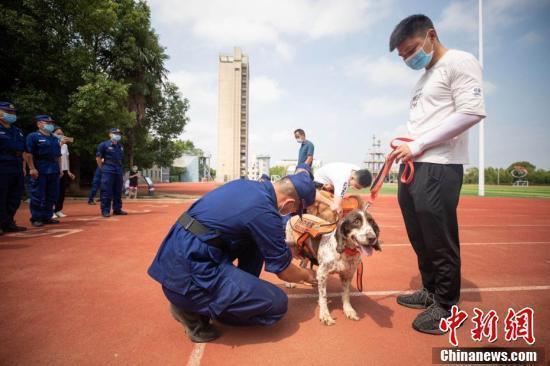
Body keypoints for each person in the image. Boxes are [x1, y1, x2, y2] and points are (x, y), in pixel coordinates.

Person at [388, 15, 486, 335]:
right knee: (420, 236)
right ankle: (430, 290)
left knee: (439, 238)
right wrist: (407, 143)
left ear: (431, 35)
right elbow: (426, 122)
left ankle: (446, 306)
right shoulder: (424, 79)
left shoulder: (460, 61)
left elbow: (471, 112)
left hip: (439, 165)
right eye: (402, 56)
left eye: (411, 50)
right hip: (414, 164)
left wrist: (418, 144)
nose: (407, 58)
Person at [148, 173, 317, 342]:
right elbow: (285, 272)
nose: (291, 214)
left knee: (254, 244)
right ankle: (193, 311)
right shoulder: (265, 212)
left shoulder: (246, 186)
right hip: (190, 270)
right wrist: (308, 275)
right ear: (289, 203)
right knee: (277, 304)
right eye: (294, 211)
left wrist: (285, 247)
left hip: (180, 252)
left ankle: (230, 294)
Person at [24, 115, 62, 227]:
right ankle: (36, 218)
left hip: (53, 168)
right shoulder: (33, 136)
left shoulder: (55, 138)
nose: (50, 125)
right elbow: (28, 153)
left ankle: (47, 216)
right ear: (39, 124)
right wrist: (32, 168)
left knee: (52, 195)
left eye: (51, 123)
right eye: (47, 122)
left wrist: (60, 169)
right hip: (40, 167)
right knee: (37, 194)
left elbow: (58, 156)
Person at [0, 101, 27, 235]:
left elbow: (22, 151)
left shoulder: (18, 131)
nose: (12, 114)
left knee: (15, 196)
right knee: (1, 195)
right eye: (8, 112)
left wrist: (23, 167)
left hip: (16, 165)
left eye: (13, 112)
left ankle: (8, 222)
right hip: (2, 165)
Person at [96, 128, 127, 217]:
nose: (117, 135)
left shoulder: (120, 146)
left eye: (119, 133)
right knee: (106, 191)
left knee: (118, 191)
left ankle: (117, 209)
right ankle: (105, 210)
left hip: (118, 169)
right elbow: (98, 158)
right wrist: (102, 168)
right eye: (115, 133)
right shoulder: (103, 145)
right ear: (110, 134)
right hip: (108, 169)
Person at [52, 126, 75, 218]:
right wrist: (60, 144)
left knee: (62, 191)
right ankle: (51, 210)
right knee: (54, 191)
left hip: (64, 170)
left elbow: (67, 158)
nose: (61, 135)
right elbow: (55, 156)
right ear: (53, 134)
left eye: (62, 134)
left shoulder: (65, 145)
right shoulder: (53, 143)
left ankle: (58, 209)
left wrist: (68, 171)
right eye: (58, 134)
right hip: (55, 170)